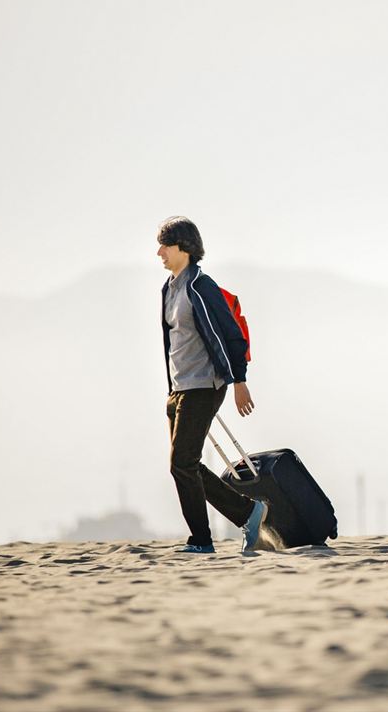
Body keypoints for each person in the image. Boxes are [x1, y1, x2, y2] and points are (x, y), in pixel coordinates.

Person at [157, 216, 267, 554]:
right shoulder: (169, 288)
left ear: (183, 248)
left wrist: (239, 381)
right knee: (186, 464)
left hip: (205, 385)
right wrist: (171, 389)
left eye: (165, 245)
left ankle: (202, 541)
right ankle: (248, 512)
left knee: (181, 464)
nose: (159, 252)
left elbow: (230, 334)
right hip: (179, 389)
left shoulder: (200, 287)